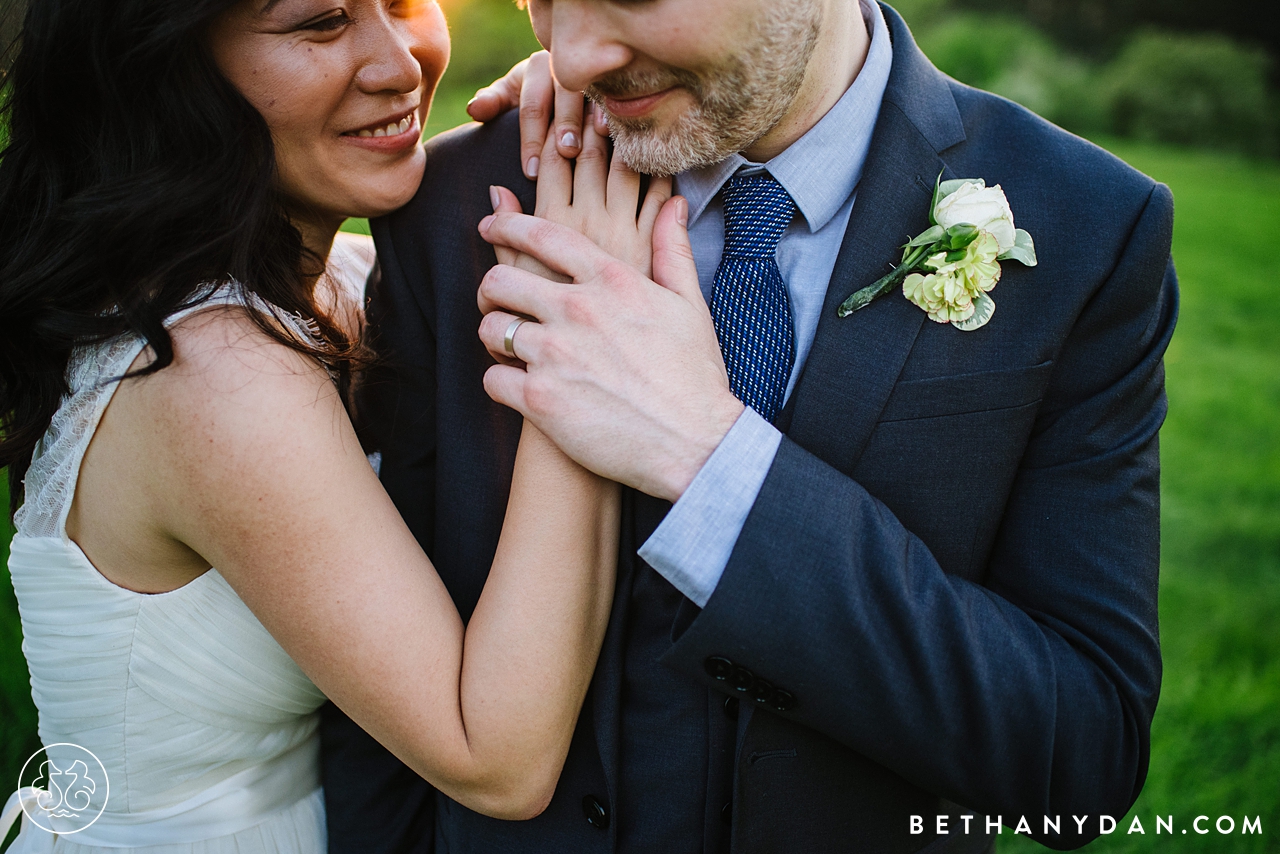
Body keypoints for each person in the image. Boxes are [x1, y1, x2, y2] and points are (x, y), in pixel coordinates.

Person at [331, 0, 1178, 851]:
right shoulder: (457, 203)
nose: (573, 57)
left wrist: (710, 461)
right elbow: (379, 718)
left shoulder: (1087, 227)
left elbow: (1082, 759)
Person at [0, 0, 657, 850]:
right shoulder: (210, 374)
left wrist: (582, 97)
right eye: (320, 22)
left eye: (405, 4)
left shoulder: (332, 282)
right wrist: (578, 355)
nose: (399, 63)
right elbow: (498, 760)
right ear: (169, 68)